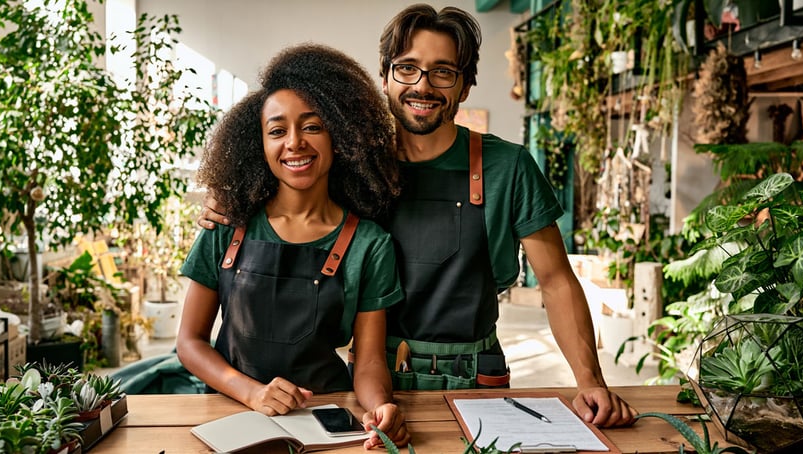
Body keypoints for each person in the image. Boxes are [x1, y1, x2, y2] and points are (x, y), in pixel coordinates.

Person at [199, 5, 637, 428]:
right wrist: (229, 201)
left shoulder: (508, 168)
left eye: (443, 71)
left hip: (476, 378)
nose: (422, 86)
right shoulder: (349, 166)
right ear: (385, 77)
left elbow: (556, 281)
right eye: (407, 68)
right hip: (374, 379)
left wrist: (590, 381)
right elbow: (286, 196)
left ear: (464, 87)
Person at [177, 43, 410, 449]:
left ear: (340, 135)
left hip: (325, 421)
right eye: (277, 130)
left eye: (313, 126)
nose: (295, 143)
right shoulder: (226, 226)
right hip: (230, 415)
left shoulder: (370, 244)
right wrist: (251, 392)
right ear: (259, 145)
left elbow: (370, 359)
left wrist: (379, 406)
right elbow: (189, 342)